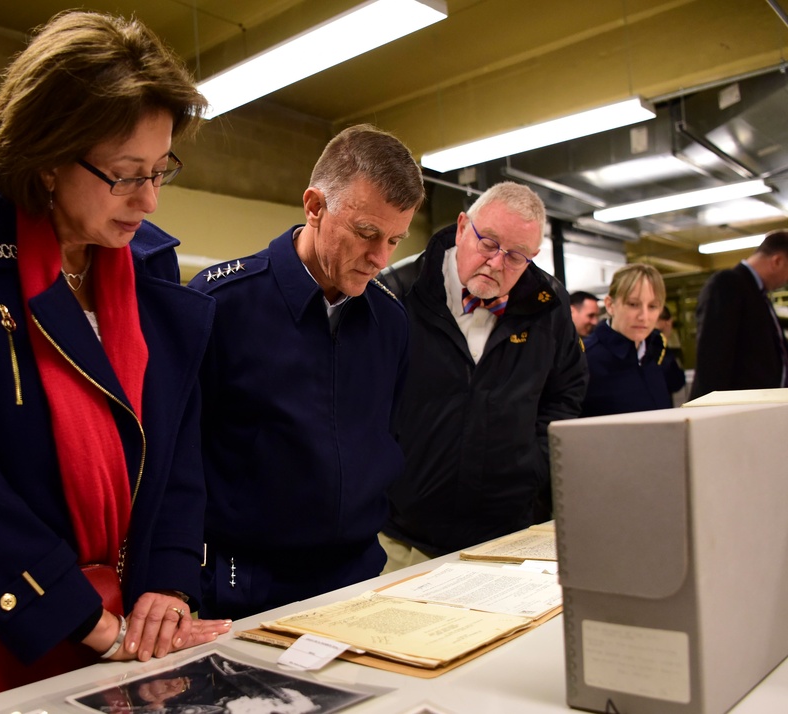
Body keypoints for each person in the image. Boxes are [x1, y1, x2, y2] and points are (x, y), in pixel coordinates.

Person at [0, 12, 230, 712]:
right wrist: (86, 619)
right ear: (48, 155)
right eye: (125, 176)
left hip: (125, 622)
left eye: (160, 172)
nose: (147, 201)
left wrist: (169, 584)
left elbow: (177, 451)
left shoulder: (148, 262)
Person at [188, 124, 425, 619]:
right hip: (244, 589)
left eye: (395, 240)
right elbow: (177, 462)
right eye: (366, 234)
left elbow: (387, 434)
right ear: (314, 206)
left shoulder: (390, 321)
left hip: (355, 582)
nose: (380, 258)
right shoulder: (222, 304)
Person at [377, 182, 587, 571]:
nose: (496, 263)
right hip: (404, 536)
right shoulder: (396, 294)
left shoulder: (549, 306)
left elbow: (566, 392)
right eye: (488, 243)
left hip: (508, 535)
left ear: (533, 257)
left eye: (516, 256)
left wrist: (534, 463)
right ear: (461, 227)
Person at [690, 229, 788, 399]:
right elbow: (713, 357)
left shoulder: (759, 294)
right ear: (777, 261)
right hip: (735, 411)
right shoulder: (727, 284)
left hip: (759, 408)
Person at [580, 264, 685, 417]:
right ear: (610, 305)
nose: (644, 317)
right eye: (633, 304)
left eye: (653, 306)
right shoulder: (583, 359)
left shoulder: (656, 350)